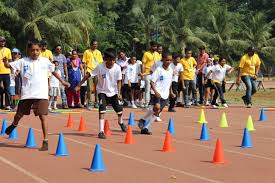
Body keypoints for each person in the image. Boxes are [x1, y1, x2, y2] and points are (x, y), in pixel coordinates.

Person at [3, 40, 70, 151]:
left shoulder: (45, 61)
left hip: (41, 94)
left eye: (37, 50)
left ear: (40, 50)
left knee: (43, 117)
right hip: (27, 94)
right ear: (28, 51)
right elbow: (8, 66)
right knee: (19, 115)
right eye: (32, 50)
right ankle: (14, 124)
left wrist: (62, 81)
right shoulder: (23, 61)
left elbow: (53, 71)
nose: (35, 52)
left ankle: (45, 141)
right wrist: (5, 62)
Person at [75, 49, 127, 139]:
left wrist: (119, 93)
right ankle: (101, 131)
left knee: (119, 111)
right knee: (102, 109)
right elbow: (88, 74)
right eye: (109, 60)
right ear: (105, 59)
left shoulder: (117, 68)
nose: (111, 62)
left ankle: (120, 122)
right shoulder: (100, 67)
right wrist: (79, 84)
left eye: (113, 60)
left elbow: (119, 81)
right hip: (102, 91)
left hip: (113, 92)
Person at [138, 52, 175, 135]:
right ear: (163, 60)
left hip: (165, 94)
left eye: (170, 60)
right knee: (157, 107)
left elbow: (170, 83)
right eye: (167, 60)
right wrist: (155, 91)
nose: (168, 62)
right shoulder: (159, 70)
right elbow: (152, 81)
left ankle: (145, 126)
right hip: (156, 92)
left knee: (156, 112)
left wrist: (171, 92)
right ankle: (144, 121)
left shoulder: (171, 71)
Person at [82, 40, 103, 110]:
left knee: (98, 88)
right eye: (94, 44)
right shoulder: (86, 52)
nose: (95, 46)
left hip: (97, 72)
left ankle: (97, 103)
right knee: (89, 88)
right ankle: (90, 103)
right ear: (91, 45)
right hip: (89, 71)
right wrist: (84, 72)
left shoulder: (99, 52)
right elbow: (84, 63)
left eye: (96, 44)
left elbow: (101, 63)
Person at [142, 41, 161, 108]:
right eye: (153, 46)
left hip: (155, 74)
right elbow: (143, 64)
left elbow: (159, 64)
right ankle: (146, 103)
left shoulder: (157, 54)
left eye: (156, 46)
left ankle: (154, 102)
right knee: (147, 89)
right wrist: (143, 73)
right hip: (148, 73)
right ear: (150, 46)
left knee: (155, 88)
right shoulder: (146, 53)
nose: (155, 48)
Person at [0, 36, 12, 109]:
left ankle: (7, 105)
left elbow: (10, 61)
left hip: (6, 72)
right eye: (1, 41)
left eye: (4, 41)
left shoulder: (8, 50)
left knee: (7, 89)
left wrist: (6, 61)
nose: (3, 42)